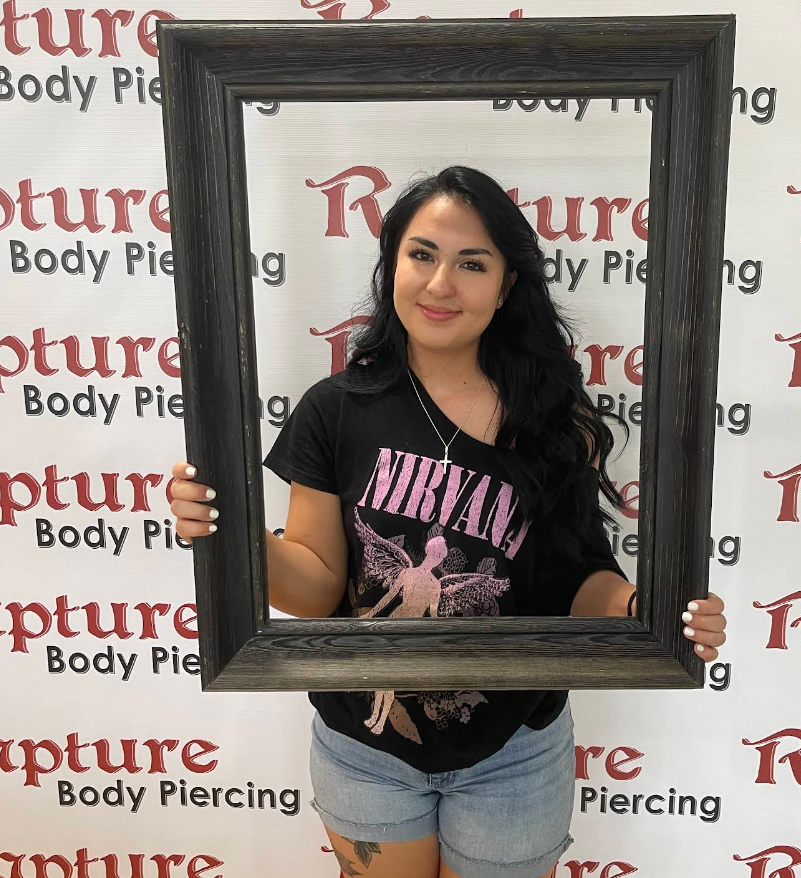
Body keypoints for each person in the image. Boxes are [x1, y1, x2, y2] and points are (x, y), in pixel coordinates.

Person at [169, 166, 727, 878]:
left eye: (472, 263)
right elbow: (312, 588)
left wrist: (643, 613)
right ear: (391, 265)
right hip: (366, 740)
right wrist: (234, 538)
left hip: (514, 751)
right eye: (422, 255)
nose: (440, 284)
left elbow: (575, 577)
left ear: (507, 286)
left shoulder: (557, 421)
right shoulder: (332, 409)